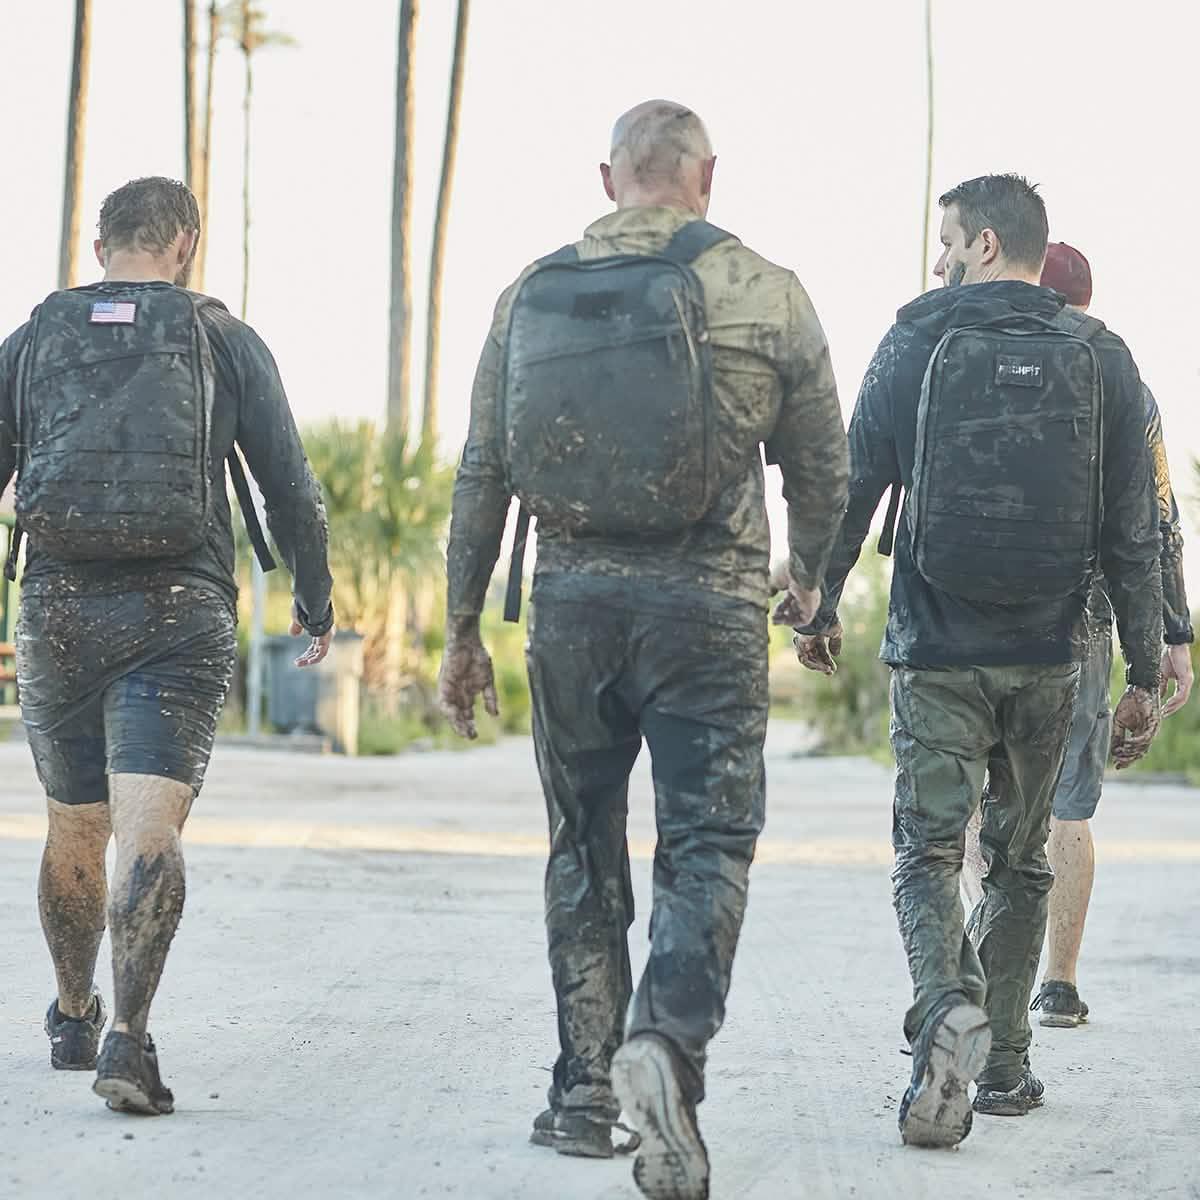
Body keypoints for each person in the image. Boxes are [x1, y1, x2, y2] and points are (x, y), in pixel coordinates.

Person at [437, 100, 848, 1200]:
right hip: (708, 614)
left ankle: (584, 1092)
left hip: (571, 609)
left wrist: (463, 629)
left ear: (607, 177)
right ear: (708, 176)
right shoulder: (767, 290)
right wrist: (812, 583)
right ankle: (663, 1039)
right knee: (708, 843)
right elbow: (824, 467)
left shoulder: (529, 293)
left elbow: (483, 471)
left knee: (581, 844)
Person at [793, 175, 1163, 1146]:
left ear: (987, 244)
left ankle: (947, 1009)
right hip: (1050, 655)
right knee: (1020, 858)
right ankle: (1002, 1067)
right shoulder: (1104, 356)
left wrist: (819, 605)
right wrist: (1143, 673)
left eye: (949, 241)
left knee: (927, 852)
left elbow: (853, 484)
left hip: (937, 647)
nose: (939, 261)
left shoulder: (914, 338)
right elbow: (1132, 535)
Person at [0, 177, 334, 1115]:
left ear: (99, 245)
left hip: (57, 606)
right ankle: (128, 1042)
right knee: (147, 830)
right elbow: (289, 487)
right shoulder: (222, 338)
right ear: (184, 243)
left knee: (74, 825)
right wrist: (314, 602)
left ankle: (73, 1014)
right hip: (177, 612)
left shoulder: (34, 340)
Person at [961, 242, 1193, 1026]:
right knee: (1068, 807)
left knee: (978, 794)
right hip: (1086, 620)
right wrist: (1172, 635)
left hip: (981, 611)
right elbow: (1157, 519)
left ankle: (988, 953)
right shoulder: (1123, 379)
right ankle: (1057, 983)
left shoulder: (982, 362)